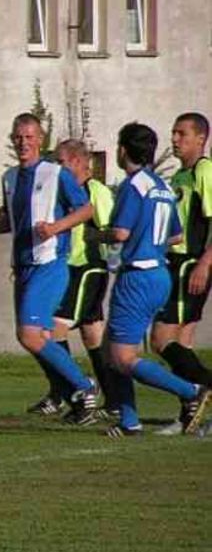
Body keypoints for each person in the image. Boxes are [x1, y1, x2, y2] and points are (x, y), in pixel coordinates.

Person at [0, 113, 99, 423]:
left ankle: (85, 387)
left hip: (50, 263)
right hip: (23, 266)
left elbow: (86, 209)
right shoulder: (10, 178)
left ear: (40, 140)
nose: (23, 142)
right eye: (18, 136)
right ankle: (72, 396)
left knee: (30, 334)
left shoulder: (56, 174)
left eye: (29, 137)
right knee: (35, 336)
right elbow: (16, 222)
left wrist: (55, 228)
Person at [97, 122, 209, 437]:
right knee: (110, 351)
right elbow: (175, 235)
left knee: (123, 356)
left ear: (123, 150)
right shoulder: (161, 185)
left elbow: (120, 233)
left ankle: (191, 391)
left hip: (138, 276)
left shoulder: (134, 186)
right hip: (160, 274)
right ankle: (129, 421)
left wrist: (95, 234)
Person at [30, 138, 119, 422]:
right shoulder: (64, 191)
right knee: (93, 337)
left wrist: (94, 237)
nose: (58, 166)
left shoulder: (96, 191)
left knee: (53, 328)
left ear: (80, 162)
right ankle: (114, 400)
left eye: (62, 161)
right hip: (71, 267)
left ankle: (70, 393)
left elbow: (112, 230)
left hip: (87, 267)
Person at [150, 112, 212, 435]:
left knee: (160, 341)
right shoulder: (179, 178)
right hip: (175, 262)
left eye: (181, 134)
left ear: (200, 139)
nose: (174, 139)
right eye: (173, 133)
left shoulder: (205, 171)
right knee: (183, 344)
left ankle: (205, 389)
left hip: (190, 264)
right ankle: (189, 414)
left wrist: (204, 263)